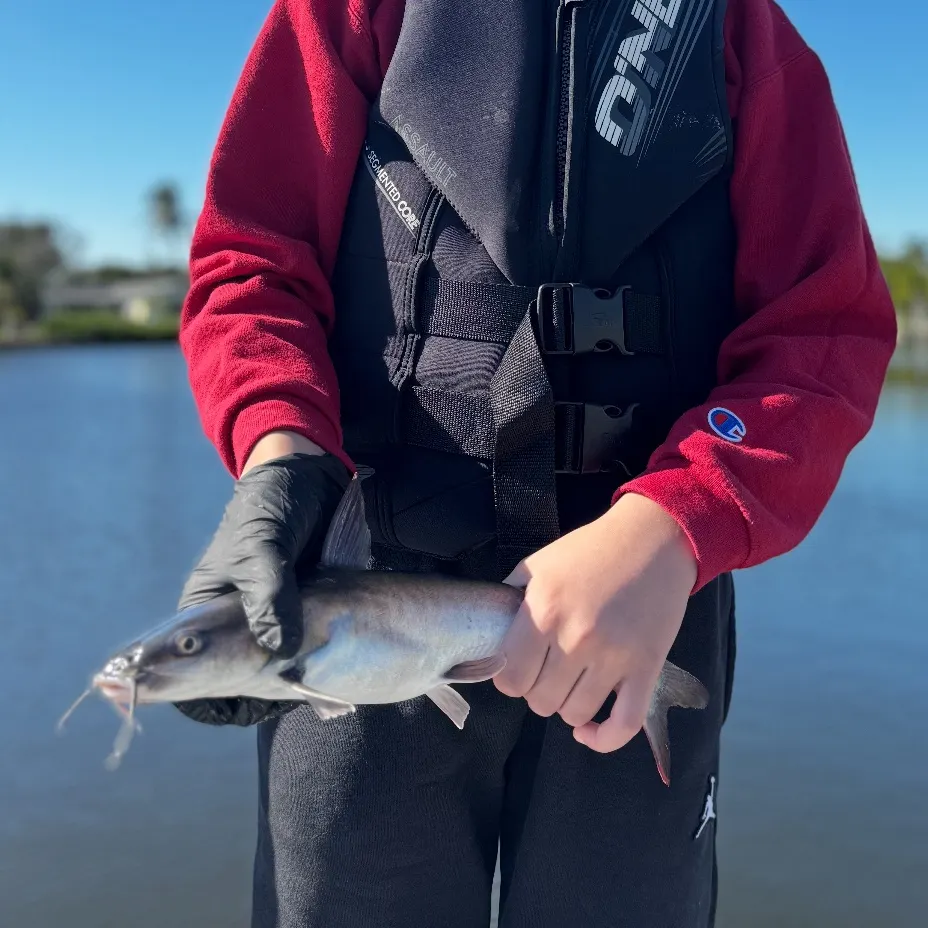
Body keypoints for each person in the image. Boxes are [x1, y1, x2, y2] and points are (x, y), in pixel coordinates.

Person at [174, 1, 897, 925]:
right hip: (364, 592)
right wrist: (282, 458)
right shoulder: (347, 13)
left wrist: (674, 525)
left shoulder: (743, 31)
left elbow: (824, 333)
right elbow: (251, 264)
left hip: (645, 614)